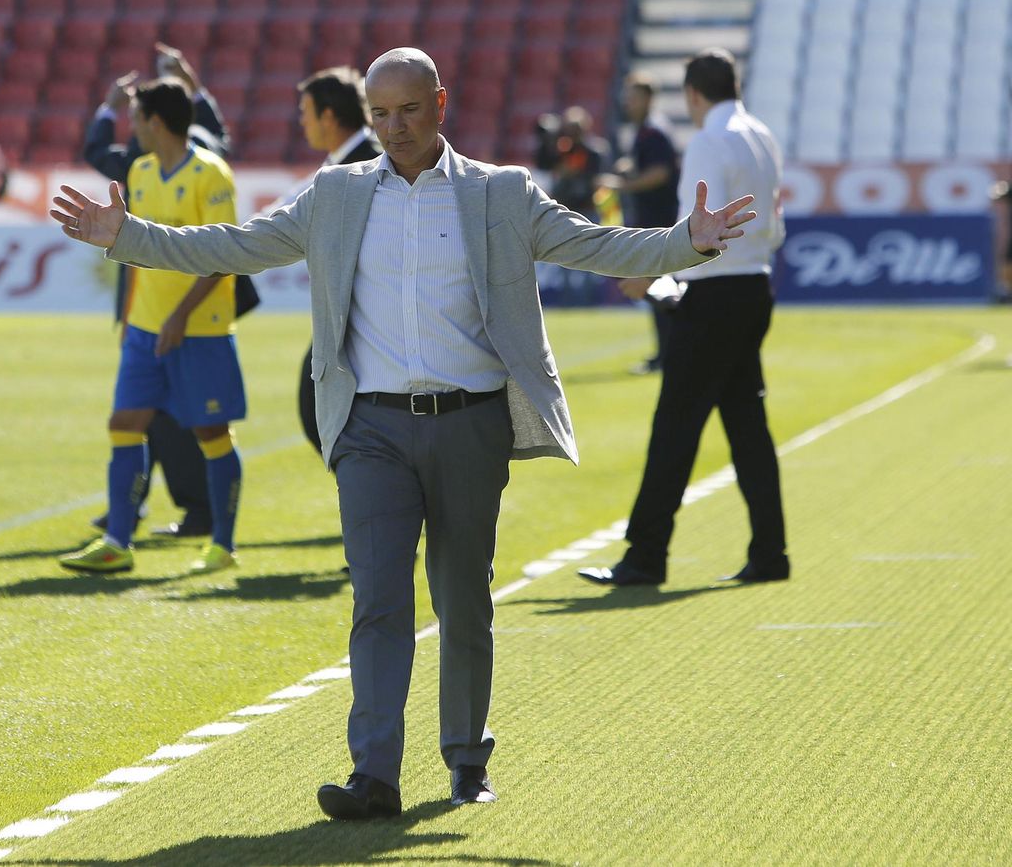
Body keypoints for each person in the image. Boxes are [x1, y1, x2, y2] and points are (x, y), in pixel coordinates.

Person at [50, 48, 754, 816]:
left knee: (463, 599)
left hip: (472, 425)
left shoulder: (501, 192)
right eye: (379, 114)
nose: (393, 128)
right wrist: (128, 236)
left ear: (441, 104)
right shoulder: (334, 194)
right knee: (378, 600)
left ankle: (465, 761)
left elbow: (597, 246)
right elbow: (231, 244)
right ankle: (374, 775)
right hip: (370, 430)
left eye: (409, 111)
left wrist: (691, 239)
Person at [579, 48, 790, 590]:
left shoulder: (707, 141)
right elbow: (772, 224)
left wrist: (650, 273)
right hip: (754, 288)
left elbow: (697, 228)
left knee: (674, 429)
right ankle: (770, 551)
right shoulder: (762, 136)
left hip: (712, 296)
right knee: (747, 426)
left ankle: (645, 557)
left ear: (694, 94)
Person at [59, 77, 246, 575]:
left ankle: (222, 546)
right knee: (124, 424)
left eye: (137, 118)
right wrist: (132, 316)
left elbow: (224, 255)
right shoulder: (138, 172)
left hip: (200, 329)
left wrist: (180, 317)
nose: (133, 127)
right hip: (144, 328)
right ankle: (118, 541)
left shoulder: (212, 175)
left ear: (155, 122)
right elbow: (137, 252)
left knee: (211, 432)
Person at [294, 66, 382, 453]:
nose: (302, 121)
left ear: (328, 116)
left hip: (370, 318)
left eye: (305, 111)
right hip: (341, 316)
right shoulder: (339, 166)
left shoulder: (373, 165)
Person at [604, 72, 682, 374]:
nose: (628, 102)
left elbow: (660, 173)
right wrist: (629, 167)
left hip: (660, 222)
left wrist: (623, 185)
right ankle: (666, 354)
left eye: (633, 97)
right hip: (653, 221)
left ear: (648, 98)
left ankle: (667, 356)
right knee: (656, 289)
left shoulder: (654, 132)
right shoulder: (646, 131)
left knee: (659, 288)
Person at [534, 105, 611, 222]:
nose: (572, 134)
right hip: (564, 206)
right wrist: (549, 143)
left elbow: (594, 177)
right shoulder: (563, 148)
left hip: (587, 208)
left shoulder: (594, 151)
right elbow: (543, 164)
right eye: (568, 129)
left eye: (575, 129)